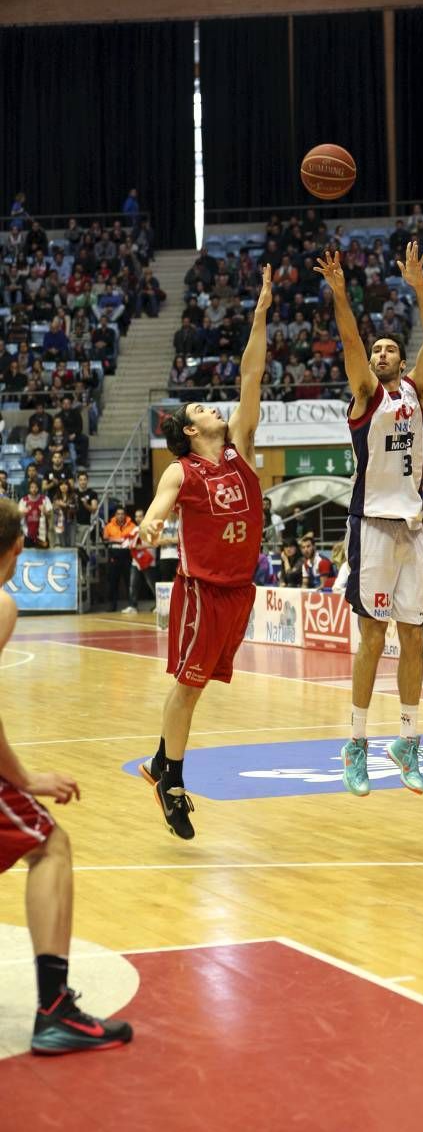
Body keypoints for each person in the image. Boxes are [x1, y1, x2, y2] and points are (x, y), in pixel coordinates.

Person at [136, 267, 272, 836]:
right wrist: (149, 524)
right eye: (202, 412)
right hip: (201, 592)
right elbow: (160, 504)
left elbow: (252, 372)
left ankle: (159, 763)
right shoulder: (183, 471)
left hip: (239, 592)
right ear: (190, 431)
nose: (214, 410)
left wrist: (260, 313)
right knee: (187, 689)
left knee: (197, 691)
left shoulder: (240, 447)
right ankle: (172, 785)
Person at [0, 498, 133, 1053]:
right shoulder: (1, 604)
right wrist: (24, 778)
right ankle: (54, 1011)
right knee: (50, 843)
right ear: (17, 549)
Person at [314, 242, 423, 798]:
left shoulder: (415, 390)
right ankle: (357, 744)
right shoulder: (365, 395)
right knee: (372, 636)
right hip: (371, 525)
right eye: (379, 349)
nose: (385, 353)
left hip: (413, 527)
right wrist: (341, 294)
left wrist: (420, 287)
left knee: (413, 638)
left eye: (392, 347)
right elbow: (349, 341)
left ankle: (408, 742)